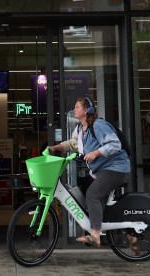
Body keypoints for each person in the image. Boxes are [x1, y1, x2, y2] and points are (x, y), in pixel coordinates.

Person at [47, 97, 131, 248]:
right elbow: (72, 144)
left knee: (92, 194)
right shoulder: (80, 129)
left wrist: (96, 153)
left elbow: (115, 144)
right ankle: (129, 236)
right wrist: (55, 148)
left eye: (77, 106)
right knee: (90, 196)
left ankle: (95, 236)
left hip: (116, 167)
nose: (74, 109)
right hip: (102, 170)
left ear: (86, 110)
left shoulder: (98, 125)